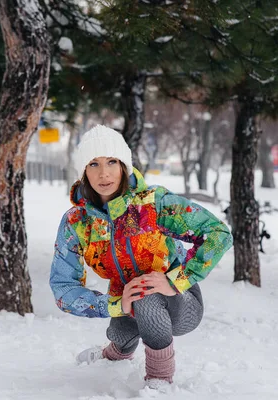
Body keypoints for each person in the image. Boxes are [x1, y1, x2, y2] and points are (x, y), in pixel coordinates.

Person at [49, 125, 233, 391]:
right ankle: (115, 353)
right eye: (94, 164)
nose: (104, 173)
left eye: (112, 161)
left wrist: (175, 280)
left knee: (145, 291)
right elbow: (63, 288)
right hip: (128, 299)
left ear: (124, 166)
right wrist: (114, 306)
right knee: (122, 325)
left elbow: (218, 233)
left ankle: (159, 379)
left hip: (181, 304)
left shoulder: (152, 204)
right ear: (83, 172)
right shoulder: (77, 222)